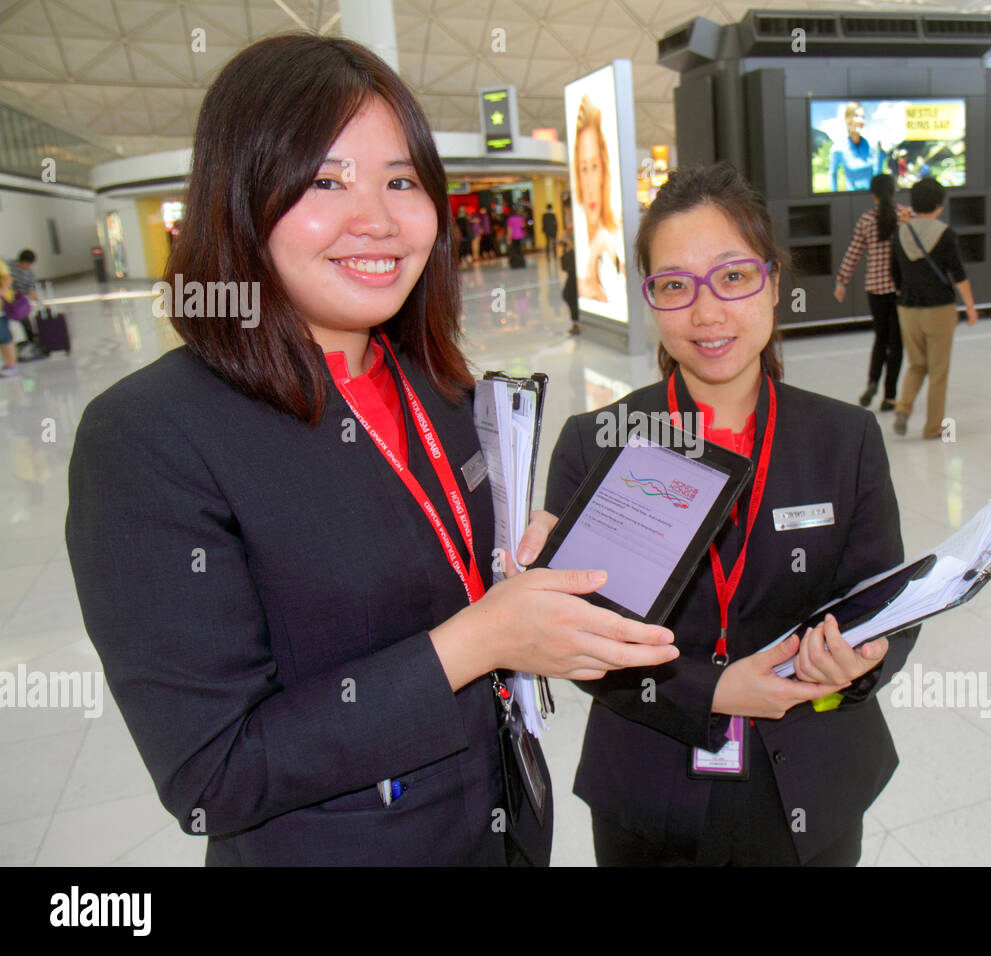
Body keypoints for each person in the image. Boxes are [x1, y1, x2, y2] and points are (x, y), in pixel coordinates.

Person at [63, 34, 677, 867]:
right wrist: (481, 640)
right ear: (239, 199)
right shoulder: (152, 436)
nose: (379, 220)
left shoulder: (439, 386)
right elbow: (215, 773)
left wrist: (524, 573)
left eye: (401, 180)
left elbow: (444, 575)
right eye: (325, 181)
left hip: (504, 826)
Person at [545, 162, 918, 866]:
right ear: (650, 298)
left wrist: (861, 662)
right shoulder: (597, 444)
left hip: (811, 779)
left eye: (734, 277)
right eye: (675, 285)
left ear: (773, 282)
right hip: (650, 784)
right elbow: (581, 644)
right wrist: (713, 689)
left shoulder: (844, 439)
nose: (708, 312)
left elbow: (887, 601)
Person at [890, 176, 979, 439]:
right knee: (938, 370)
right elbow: (958, 274)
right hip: (939, 309)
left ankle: (903, 408)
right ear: (939, 204)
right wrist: (971, 307)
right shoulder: (946, 234)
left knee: (916, 363)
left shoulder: (901, 233)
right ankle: (932, 427)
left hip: (907, 308)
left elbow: (895, 274)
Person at [834, 173, 911, 411]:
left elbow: (853, 253)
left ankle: (872, 381)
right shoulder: (905, 216)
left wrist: (841, 282)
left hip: (875, 289)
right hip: (900, 289)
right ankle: (890, 396)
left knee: (880, 337)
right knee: (896, 343)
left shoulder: (866, 219)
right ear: (894, 190)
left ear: (873, 195)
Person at [572, 94, 623, 302]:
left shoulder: (615, 235)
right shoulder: (580, 244)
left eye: (594, 166)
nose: (591, 186)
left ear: (603, 170)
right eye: (584, 169)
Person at [828, 102, 883, 192]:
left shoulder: (871, 146)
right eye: (856, 116)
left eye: (863, 117)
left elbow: (877, 175)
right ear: (847, 119)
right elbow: (832, 174)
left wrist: (881, 155)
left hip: (871, 197)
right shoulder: (838, 148)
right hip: (849, 199)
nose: (860, 121)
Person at [559, 237, 579, 335]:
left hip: (575, 276)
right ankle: (576, 321)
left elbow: (565, 267)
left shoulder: (572, 254)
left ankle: (576, 322)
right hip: (574, 275)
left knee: (569, 295)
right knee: (569, 295)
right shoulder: (571, 254)